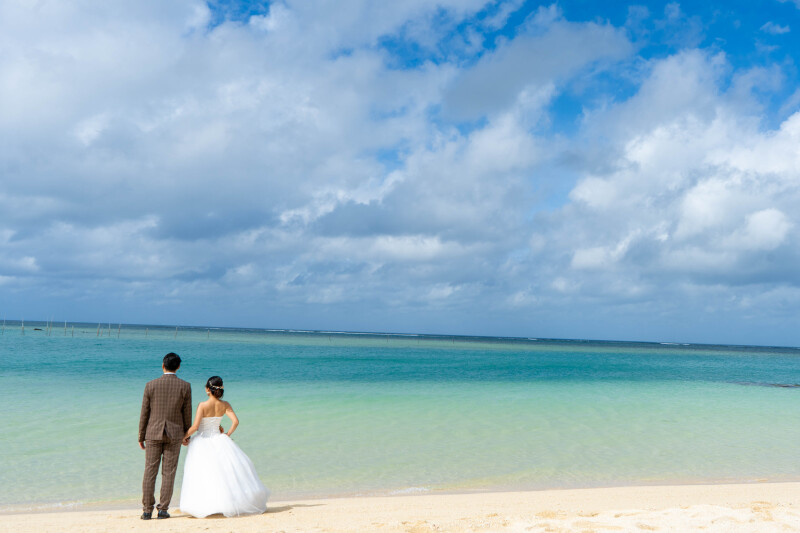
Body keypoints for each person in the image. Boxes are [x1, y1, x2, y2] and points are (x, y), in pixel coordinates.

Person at [179, 376, 269, 518]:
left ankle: (209, 505)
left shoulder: (202, 405)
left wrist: (182, 437)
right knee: (224, 473)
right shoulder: (225, 404)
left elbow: (195, 427)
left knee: (205, 474)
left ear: (207, 389)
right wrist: (227, 434)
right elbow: (236, 421)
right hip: (219, 439)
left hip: (202, 440)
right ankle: (226, 504)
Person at [138, 352, 192, 520]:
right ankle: (163, 510)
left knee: (149, 471)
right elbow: (187, 413)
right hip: (175, 434)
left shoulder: (150, 385)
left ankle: (147, 510)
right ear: (178, 366)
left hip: (153, 433)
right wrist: (186, 434)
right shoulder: (185, 386)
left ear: (163, 365)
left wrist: (141, 436)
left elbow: (144, 413)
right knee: (169, 473)